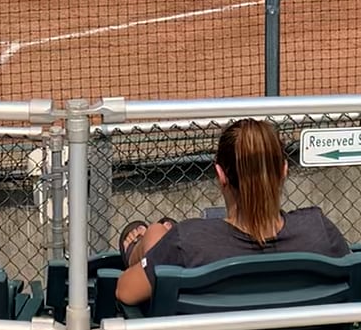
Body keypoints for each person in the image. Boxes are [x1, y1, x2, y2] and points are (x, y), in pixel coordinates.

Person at [114, 119, 348, 306]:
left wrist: (163, 244)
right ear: (284, 170)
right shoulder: (318, 229)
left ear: (221, 174)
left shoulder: (188, 240)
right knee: (161, 238)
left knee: (157, 234)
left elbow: (125, 292)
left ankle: (140, 249)